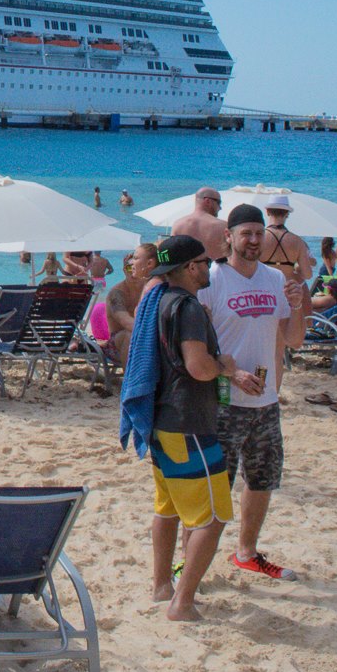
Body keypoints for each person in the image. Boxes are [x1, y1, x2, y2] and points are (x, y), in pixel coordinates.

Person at [202, 205, 309, 579]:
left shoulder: (275, 280)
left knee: (262, 480)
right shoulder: (211, 280)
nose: (253, 240)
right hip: (223, 400)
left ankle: (246, 553)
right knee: (215, 488)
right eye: (245, 233)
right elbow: (197, 346)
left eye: (258, 233)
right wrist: (233, 374)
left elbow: (293, 339)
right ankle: (190, 563)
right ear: (228, 237)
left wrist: (296, 306)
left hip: (266, 401)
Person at [140, 237, 240, 622]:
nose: (209, 268)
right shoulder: (188, 308)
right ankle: (181, 603)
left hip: (163, 421)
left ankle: (162, 585)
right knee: (212, 519)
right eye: (204, 262)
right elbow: (198, 366)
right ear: (189, 268)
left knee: (167, 509)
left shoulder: (160, 301)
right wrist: (225, 366)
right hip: (188, 424)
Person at [104, 242, 159, 364]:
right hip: (117, 342)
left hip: (142, 337)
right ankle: (128, 380)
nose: (131, 271)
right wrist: (152, 334)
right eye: (128, 268)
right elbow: (125, 321)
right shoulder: (117, 293)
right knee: (129, 335)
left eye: (133, 266)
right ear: (124, 270)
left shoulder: (149, 288)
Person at [259, 195, 312, 283]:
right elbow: (308, 274)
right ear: (287, 214)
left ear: (267, 212)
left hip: (264, 287)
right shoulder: (297, 241)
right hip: (287, 289)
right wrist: (296, 269)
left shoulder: (259, 237)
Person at [172, 187, 230, 262]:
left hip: (187, 272)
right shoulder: (223, 226)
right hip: (216, 272)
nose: (220, 208)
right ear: (207, 201)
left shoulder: (178, 225)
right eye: (218, 202)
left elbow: (173, 253)